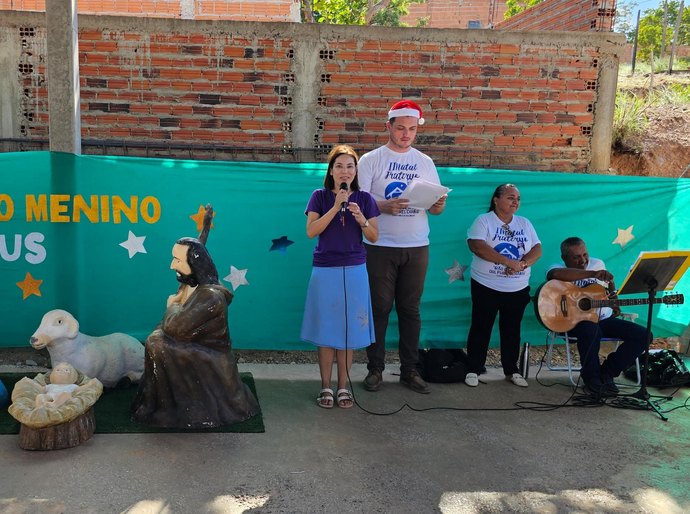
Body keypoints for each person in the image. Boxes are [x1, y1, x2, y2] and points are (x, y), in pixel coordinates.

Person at [357, 99, 447, 394]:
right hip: (379, 245)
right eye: (400, 128)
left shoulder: (425, 162)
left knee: (410, 309)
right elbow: (358, 202)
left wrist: (438, 205)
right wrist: (382, 205)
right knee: (379, 308)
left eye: (411, 129)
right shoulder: (370, 160)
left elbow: (435, 209)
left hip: (417, 245)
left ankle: (410, 370)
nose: (406, 134)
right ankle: (375, 369)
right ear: (389, 127)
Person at [131, 237, 259, 428]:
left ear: (195, 264)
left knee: (157, 343)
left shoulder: (211, 297)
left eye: (178, 260)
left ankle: (177, 408)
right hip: (193, 349)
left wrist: (171, 306)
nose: (171, 265)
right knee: (156, 339)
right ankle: (162, 404)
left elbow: (177, 329)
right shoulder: (191, 286)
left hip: (211, 358)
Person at [301, 145, 380, 409]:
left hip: (355, 270)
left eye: (349, 166)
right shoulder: (319, 196)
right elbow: (311, 231)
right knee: (327, 331)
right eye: (339, 166)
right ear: (331, 171)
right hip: (325, 270)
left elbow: (374, 236)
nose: (344, 171)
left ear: (356, 170)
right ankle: (325, 386)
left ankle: (343, 387)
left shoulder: (366, 199)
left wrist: (361, 219)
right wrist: (336, 208)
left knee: (347, 332)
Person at [546, 237, 649, 397]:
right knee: (592, 330)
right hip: (574, 322)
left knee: (644, 335)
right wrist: (592, 274)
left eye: (585, 254)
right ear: (564, 258)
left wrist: (614, 301)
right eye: (576, 257)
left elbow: (609, 287)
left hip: (604, 319)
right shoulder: (557, 268)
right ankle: (591, 378)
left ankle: (607, 373)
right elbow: (555, 275)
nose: (583, 260)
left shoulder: (598, 263)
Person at [464, 184, 542, 388]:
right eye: (510, 197)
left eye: (518, 198)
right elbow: (477, 246)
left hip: (517, 288)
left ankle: (511, 370)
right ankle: (473, 368)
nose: (515, 201)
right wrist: (508, 262)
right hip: (486, 285)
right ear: (496, 200)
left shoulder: (524, 223)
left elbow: (537, 248)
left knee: (511, 329)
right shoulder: (483, 220)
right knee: (481, 327)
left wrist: (522, 265)